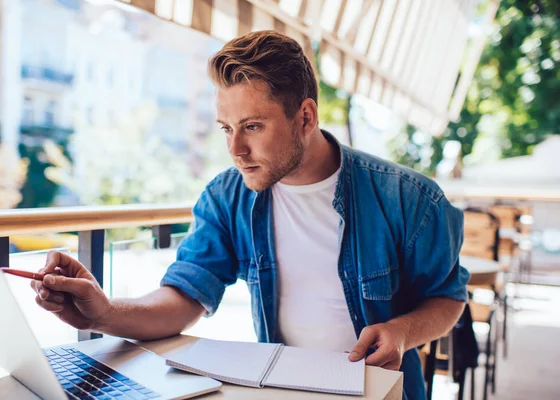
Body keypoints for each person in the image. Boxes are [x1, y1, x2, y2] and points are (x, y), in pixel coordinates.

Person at [33, 30, 469, 399]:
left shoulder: (408, 198)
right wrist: (102, 313)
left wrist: (401, 332)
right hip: (281, 391)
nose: (236, 150)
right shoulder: (227, 197)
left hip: (381, 392)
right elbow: (182, 300)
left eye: (253, 127)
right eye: (227, 128)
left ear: (306, 116)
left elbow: (448, 298)